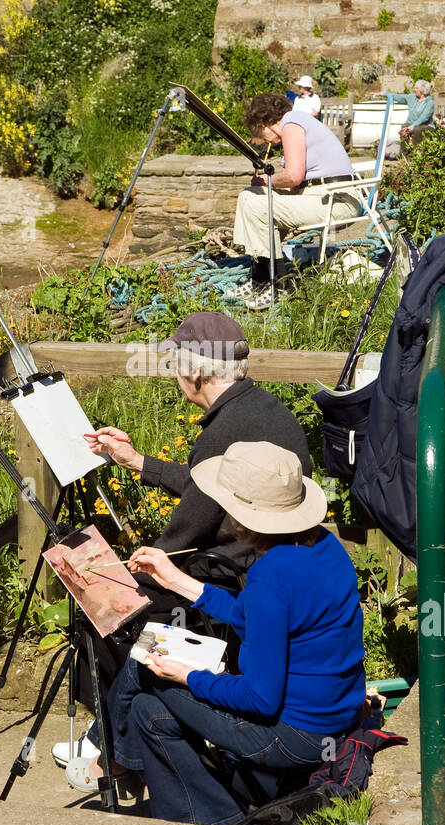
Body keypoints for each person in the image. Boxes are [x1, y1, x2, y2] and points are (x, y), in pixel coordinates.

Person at [51, 311, 312, 767]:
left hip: (233, 573)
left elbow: (186, 530)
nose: (172, 374)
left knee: (102, 607)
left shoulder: (224, 431)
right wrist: (136, 463)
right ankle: (114, 734)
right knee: (116, 596)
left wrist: (130, 570)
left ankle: (113, 746)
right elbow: (206, 483)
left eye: (174, 364)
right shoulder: (260, 409)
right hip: (268, 563)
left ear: (195, 371)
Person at [63, 441, 367, 825]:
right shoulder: (326, 547)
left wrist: (186, 676)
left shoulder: (269, 579)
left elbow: (259, 699)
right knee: (146, 713)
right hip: (332, 718)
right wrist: (176, 580)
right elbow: (257, 618)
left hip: (293, 736)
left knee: (143, 662)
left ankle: (113, 758)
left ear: (245, 515)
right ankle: (210, 816)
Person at [230, 93, 363, 311]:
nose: (264, 141)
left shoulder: (291, 124)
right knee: (249, 196)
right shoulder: (298, 124)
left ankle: (278, 284)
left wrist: (266, 180)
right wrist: (263, 187)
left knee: (256, 202)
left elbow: (293, 176)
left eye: (260, 135)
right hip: (320, 196)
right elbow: (294, 187)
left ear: (264, 124)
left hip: (336, 200)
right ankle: (260, 276)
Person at [374, 80, 434, 146]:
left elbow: (423, 118)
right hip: (411, 124)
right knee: (404, 127)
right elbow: (398, 97)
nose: (415, 89)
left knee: (417, 130)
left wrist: (411, 127)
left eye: (417, 88)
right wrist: (382, 94)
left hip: (425, 125)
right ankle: (404, 154)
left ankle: (416, 153)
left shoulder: (429, 102)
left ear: (422, 90)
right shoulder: (412, 97)